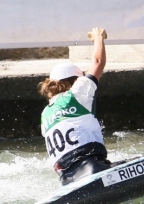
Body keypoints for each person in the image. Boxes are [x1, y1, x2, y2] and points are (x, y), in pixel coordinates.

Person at [38, 27, 110, 185]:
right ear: (72, 82)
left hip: (67, 179)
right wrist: (99, 38)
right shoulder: (76, 93)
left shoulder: (45, 114)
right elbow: (98, 62)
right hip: (92, 168)